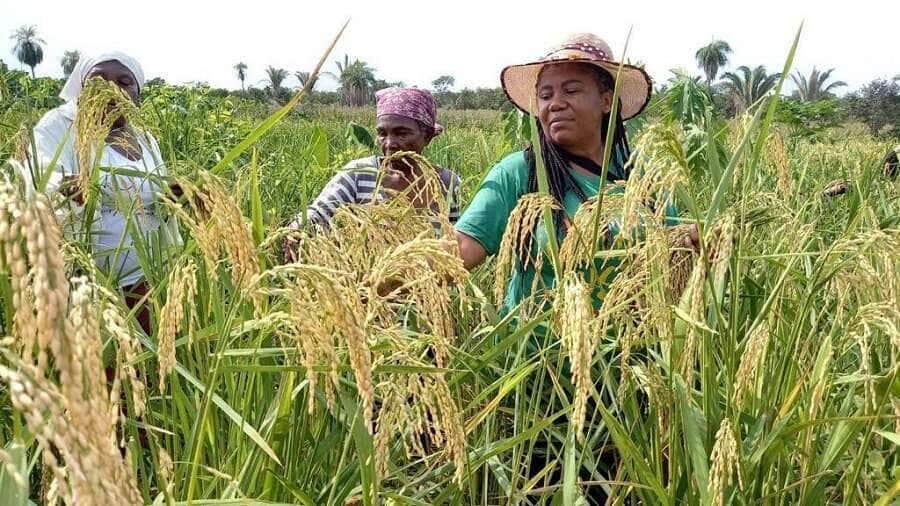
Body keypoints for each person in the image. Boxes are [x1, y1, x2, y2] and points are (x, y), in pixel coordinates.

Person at [455, 33, 694, 313]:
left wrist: (695, 242)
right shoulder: (520, 173)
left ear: (606, 101)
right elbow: (462, 248)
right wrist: (400, 270)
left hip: (628, 351)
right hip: (538, 353)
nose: (555, 103)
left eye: (571, 90)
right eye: (545, 95)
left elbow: (672, 253)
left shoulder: (642, 173)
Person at [29, 52, 180, 333]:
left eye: (124, 82)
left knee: (144, 367)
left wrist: (174, 196)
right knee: (100, 368)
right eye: (98, 81)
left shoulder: (145, 139)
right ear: (81, 89)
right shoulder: (60, 126)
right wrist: (64, 187)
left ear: (137, 96)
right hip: (89, 283)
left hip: (148, 276)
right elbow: (37, 175)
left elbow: (155, 194)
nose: (111, 88)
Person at [290, 87, 460, 232]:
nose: (389, 143)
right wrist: (295, 231)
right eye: (382, 133)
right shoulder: (359, 173)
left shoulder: (447, 183)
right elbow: (318, 213)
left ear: (427, 136)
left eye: (401, 133)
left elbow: (454, 243)